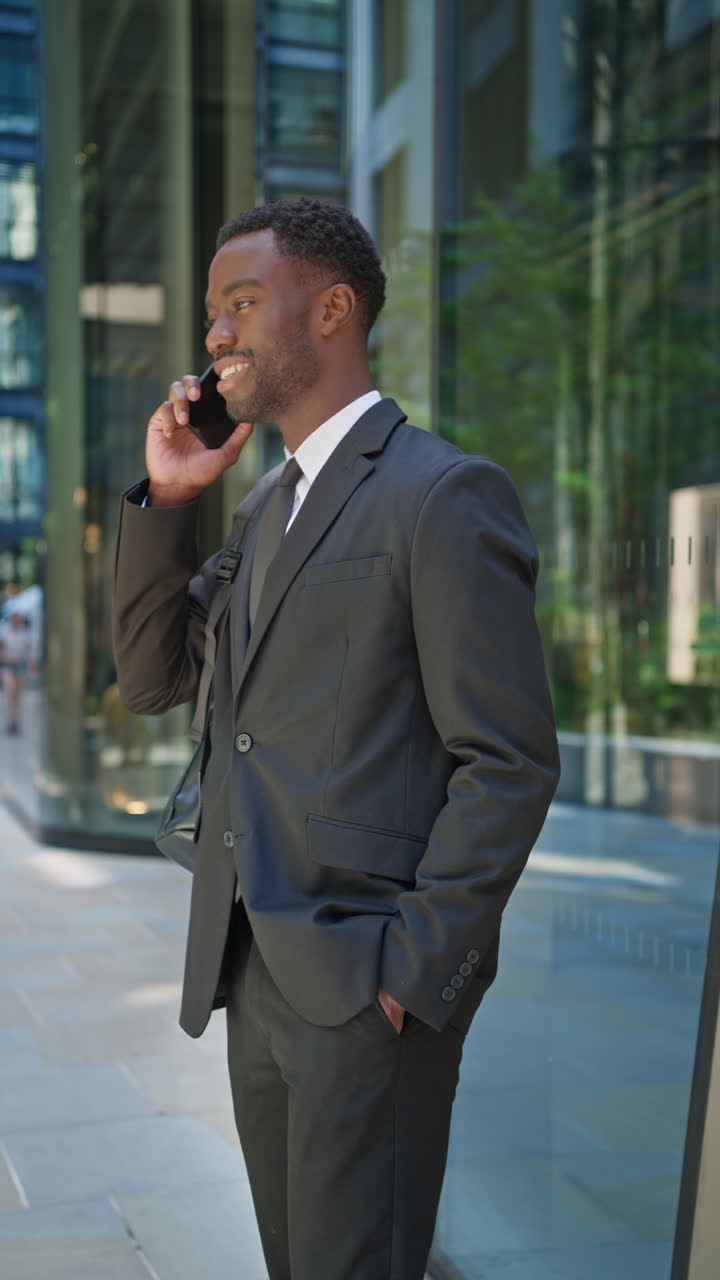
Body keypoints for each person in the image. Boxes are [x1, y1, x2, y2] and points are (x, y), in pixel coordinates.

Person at [112, 198, 560, 1280]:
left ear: (333, 308)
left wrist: (411, 974)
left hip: (367, 987)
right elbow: (154, 677)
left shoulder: (443, 493)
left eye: (243, 302)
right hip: (252, 967)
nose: (216, 333)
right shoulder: (267, 505)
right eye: (214, 310)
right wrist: (167, 499)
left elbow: (508, 760)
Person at [0, 611, 33, 734]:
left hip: (20, 666)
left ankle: (16, 720)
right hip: (8, 666)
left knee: (17, 696)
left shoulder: (25, 634)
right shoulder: (4, 634)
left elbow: (29, 653)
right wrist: (8, 658)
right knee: (9, 694)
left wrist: (30, 669)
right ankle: (11, 720)